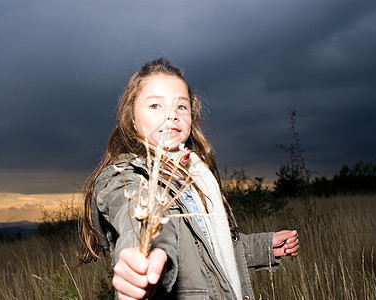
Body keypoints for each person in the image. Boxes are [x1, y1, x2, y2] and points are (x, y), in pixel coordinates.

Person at [80, 58, 299, 300]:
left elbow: (211, 252)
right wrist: (141, 254)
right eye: (155, 106)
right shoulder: (127, 176)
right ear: (132, 118)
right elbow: (136, 214)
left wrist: (265, 247)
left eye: (181, 106)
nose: (171, 115)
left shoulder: (197, 175)